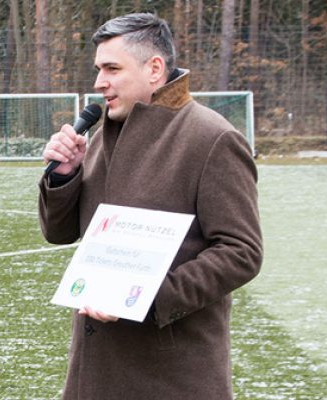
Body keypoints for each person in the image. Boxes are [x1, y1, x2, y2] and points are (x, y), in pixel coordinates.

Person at [38, 13, 263, 399]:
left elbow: (241, 252)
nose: (99, 82)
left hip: (171, 377)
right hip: (94, 373)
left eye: (112, 69)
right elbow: (59, 233)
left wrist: (147, 296)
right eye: (98, 69)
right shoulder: (102, 135)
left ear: (155, 69)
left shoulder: (213, 138)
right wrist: (64, 176)